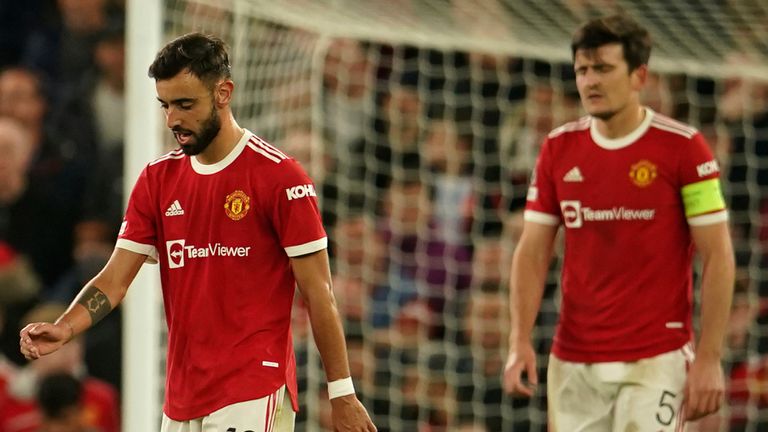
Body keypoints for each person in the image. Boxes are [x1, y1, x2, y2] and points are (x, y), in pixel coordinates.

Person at [19, 32, 375, 432]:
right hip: (182, 395)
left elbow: (318, 292)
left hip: (253, 388)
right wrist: (66, 325)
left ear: (223, 93)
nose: (173, 119)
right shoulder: (157, 180)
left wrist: (342, 392)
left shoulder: (280, 177)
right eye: (166, 105)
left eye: (186, 104)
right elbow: (114, 280)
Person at [502, 14, 735, 431]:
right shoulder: (558, 148)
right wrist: (519, 338)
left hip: (656, 357)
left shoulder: (685, 148)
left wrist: (710, 357)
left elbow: (718, 255)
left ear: (638, 76)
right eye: (582, 70)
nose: (591, 81)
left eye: (604, 69)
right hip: (573, 358)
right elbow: (533, 250)